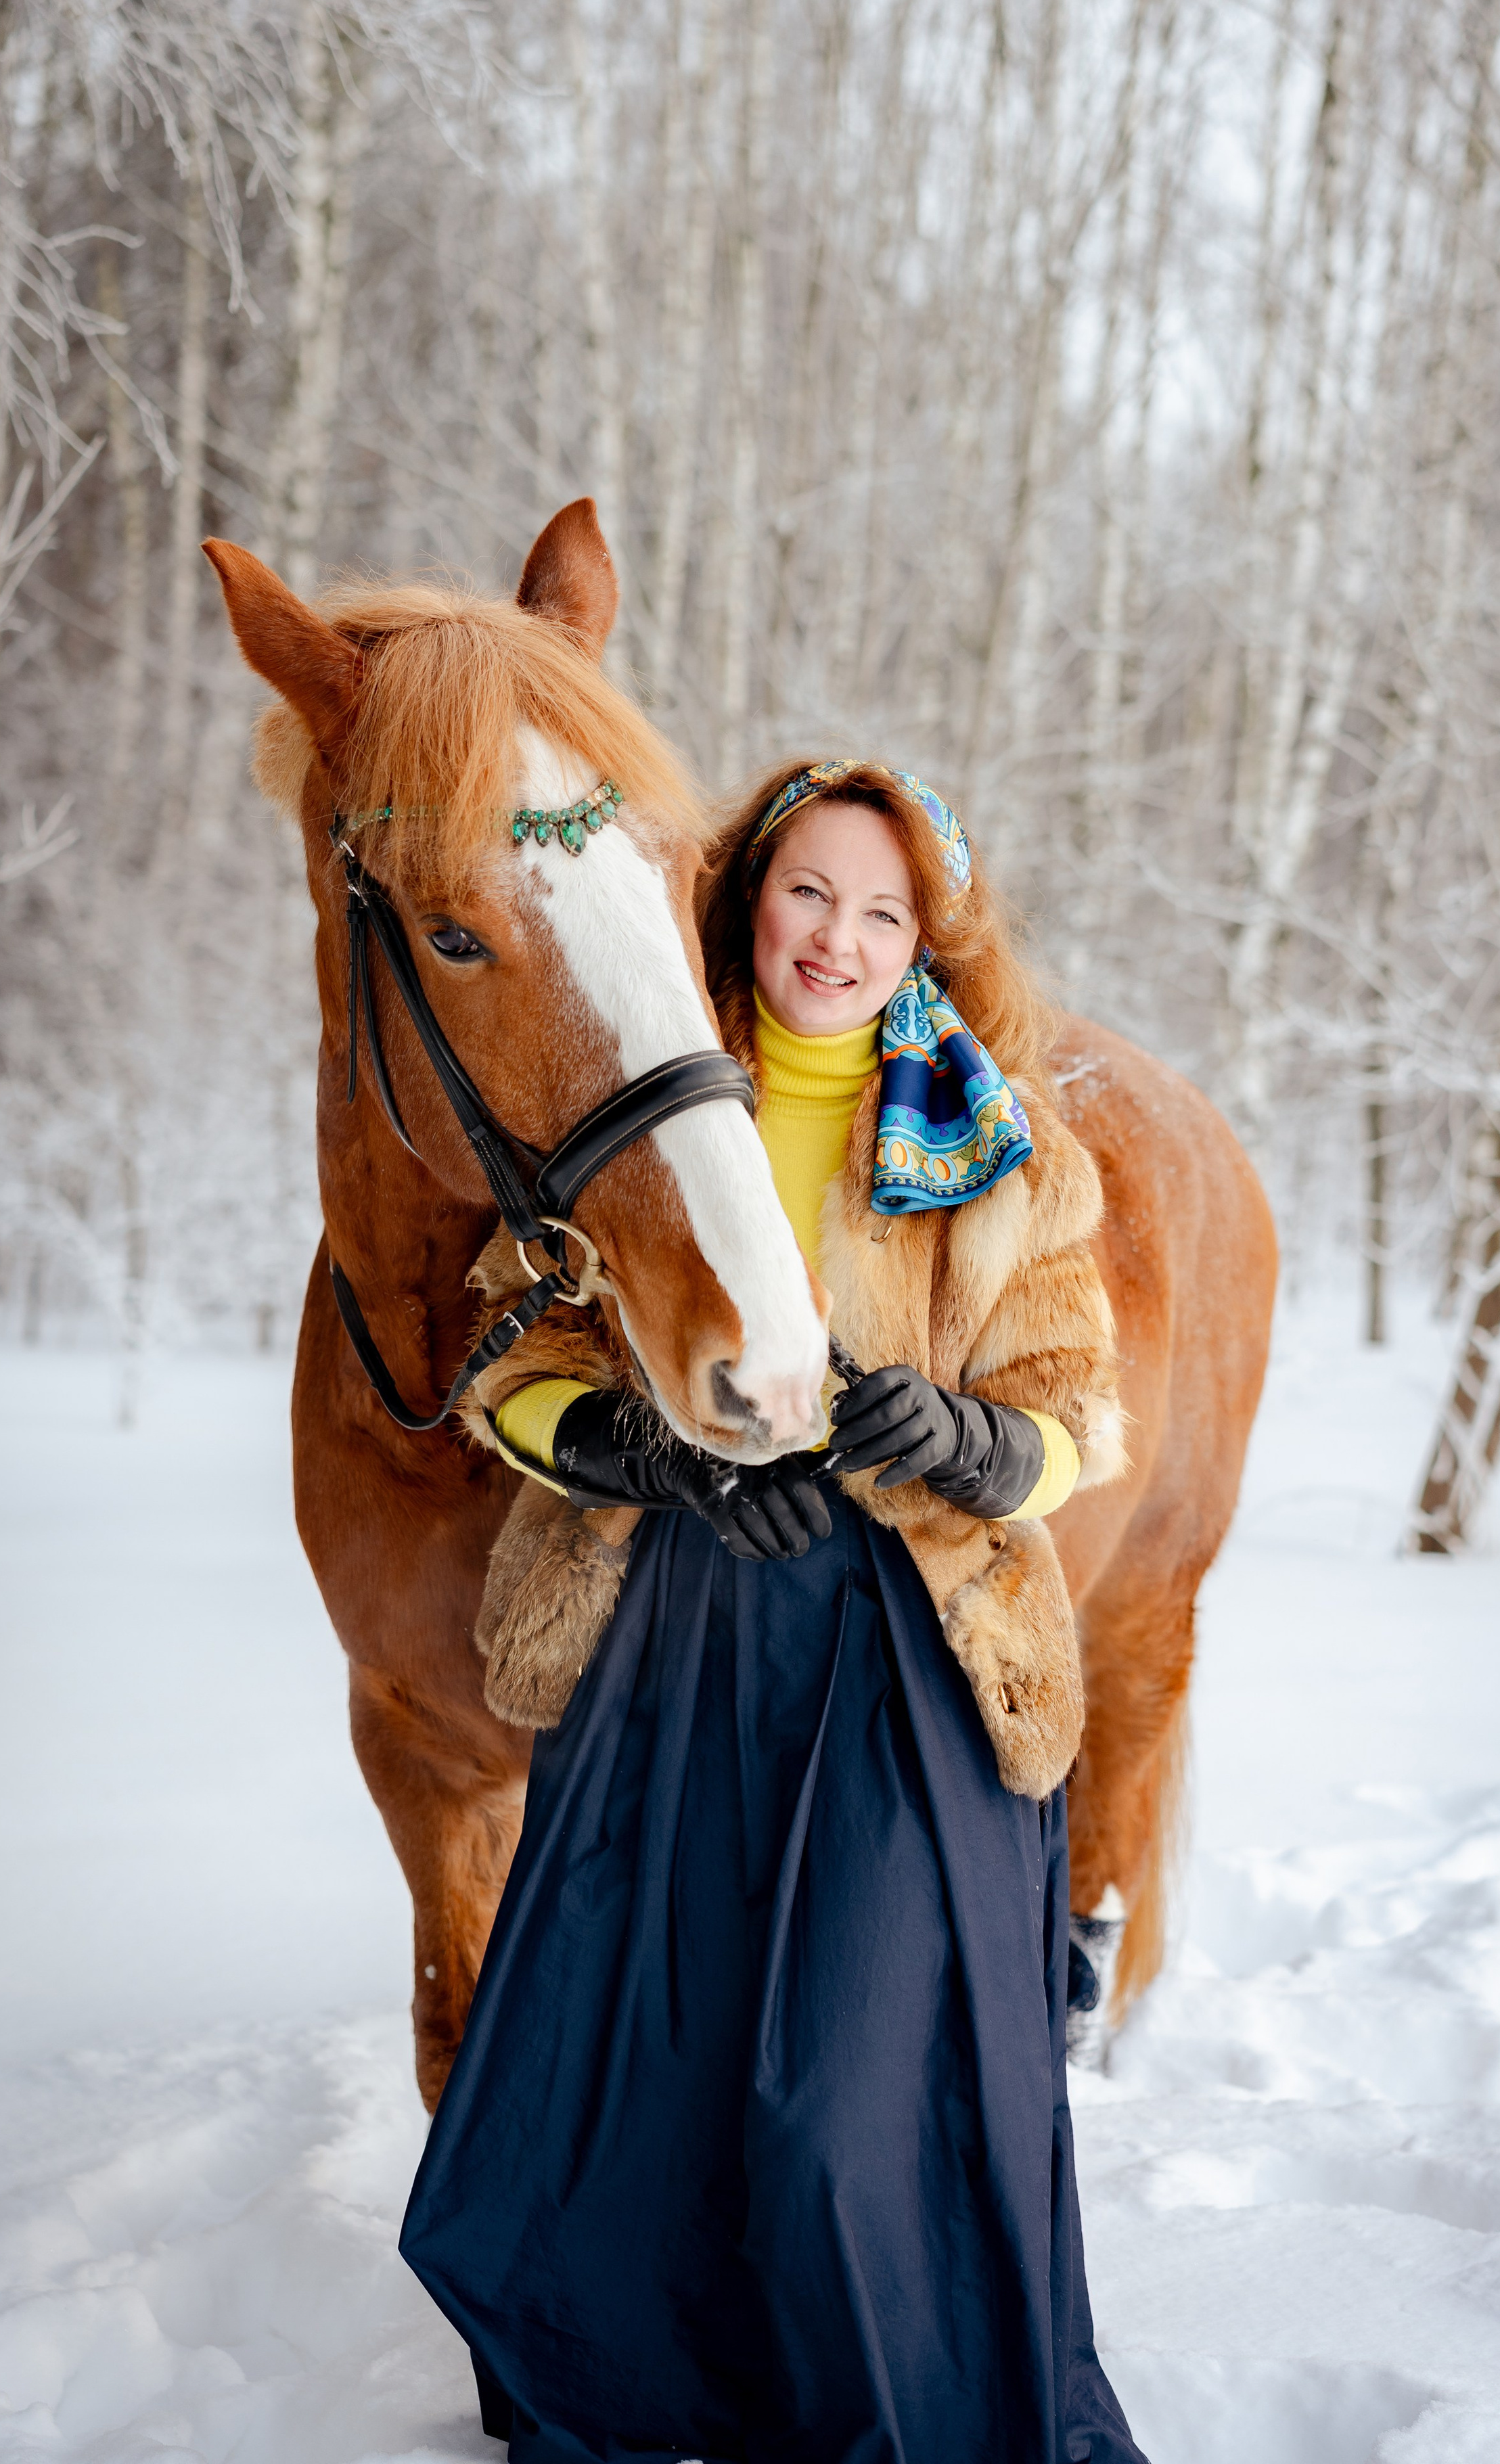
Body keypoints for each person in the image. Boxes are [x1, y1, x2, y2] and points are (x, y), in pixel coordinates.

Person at [401, 758, 1147, 2464]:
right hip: (677, 1637)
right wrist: (644, 1454)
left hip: (906, 1668)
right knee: (637, 2077)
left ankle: (882, 2404)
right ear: (747, 889)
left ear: (925, 943)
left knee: (841, 2108)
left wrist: (974, 1441)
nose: (839, 937)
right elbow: (516, 1358)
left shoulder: (1003, 1150)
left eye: (883, 912)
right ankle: (650, 2392)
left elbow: (1076, 1417)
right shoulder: (644, 1094)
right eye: (810, 891)